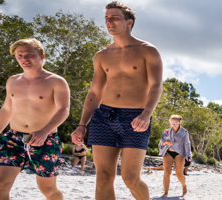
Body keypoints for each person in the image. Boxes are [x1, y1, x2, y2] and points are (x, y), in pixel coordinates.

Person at [69, 2, 164, 200]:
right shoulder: (102, 55)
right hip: (104, 116)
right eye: (106, 18)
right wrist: (81, 125)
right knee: (103, 177)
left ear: (129, 22)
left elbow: (156, 86)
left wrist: (146, 113)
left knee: (130, 178)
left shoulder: (148, 50)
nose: (109, 22)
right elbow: (95, 92)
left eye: (114, 18)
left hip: (135, 117)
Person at [0, 38, 69, 200]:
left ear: (42, 56)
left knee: (49, 191)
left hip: (45, 140)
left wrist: (44, 131)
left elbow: (63, 110)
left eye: (29, 55)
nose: (24, 59)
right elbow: (7, 109)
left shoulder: (56, 81)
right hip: (13, 139)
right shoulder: (13, 80)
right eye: (19, 55)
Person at [157, 115, 192, 197]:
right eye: (172, 122)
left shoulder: (184, 132)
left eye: (176, 123)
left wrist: (189, 155)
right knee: (167, 172)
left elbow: (187, 144)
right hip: (167, 152)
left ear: (179, 122)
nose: (174, 124)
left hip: (179, 153)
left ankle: (184, 186)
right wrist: (166, 143)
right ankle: (165, 193)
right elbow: (161, 143)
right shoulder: (166, 132)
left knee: (178, 174)